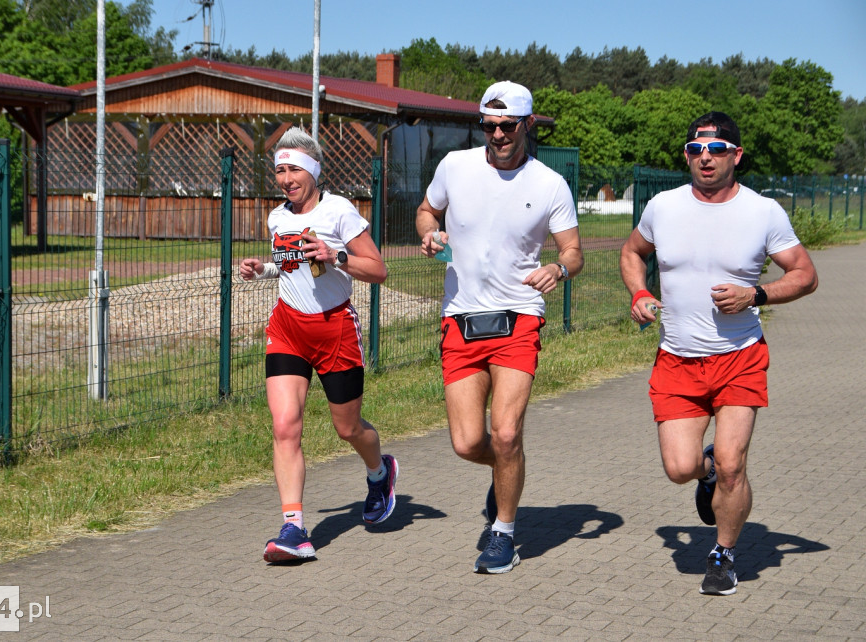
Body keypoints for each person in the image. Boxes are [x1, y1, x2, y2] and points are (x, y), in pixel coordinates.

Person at [619, 112, 818, 595]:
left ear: (736, 155)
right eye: (696, 149)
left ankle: (723, 555)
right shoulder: (662, 207)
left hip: (739, 356)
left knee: (734, 464)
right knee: (680, 469)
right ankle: (706, 471)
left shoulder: (763, 212)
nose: (705, 157)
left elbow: (805, 274)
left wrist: (758, 295)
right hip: (677, 358)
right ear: (687, 155)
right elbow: (630, 254)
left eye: (717, 149)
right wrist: (639, 294)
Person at [416, 81, 583, 574]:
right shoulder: (455, 166)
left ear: (527, 125)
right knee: (469, 443)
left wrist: (558, 269)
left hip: (519, 316)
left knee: (506, 433)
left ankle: (504, 533)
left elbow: (572, 251)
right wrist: (430, 234)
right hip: (462, 317)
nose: (497, 135)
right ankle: (506, 473)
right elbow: (427, 210)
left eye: (507, 126)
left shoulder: (550, 183)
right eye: (488, 126)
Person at [239, 127, 395, 563]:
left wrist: (336, 256)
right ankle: (294, 528)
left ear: (312, 170)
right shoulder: (277, 217)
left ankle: (380, 473)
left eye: (294, 170)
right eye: (280, 171)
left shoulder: (339, 211)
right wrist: (264, 269)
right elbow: (291, 267)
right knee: (285, 425)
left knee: (348, 428)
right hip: (288, 327)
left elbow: (379, 270)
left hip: (335, 330)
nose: (286, 179)